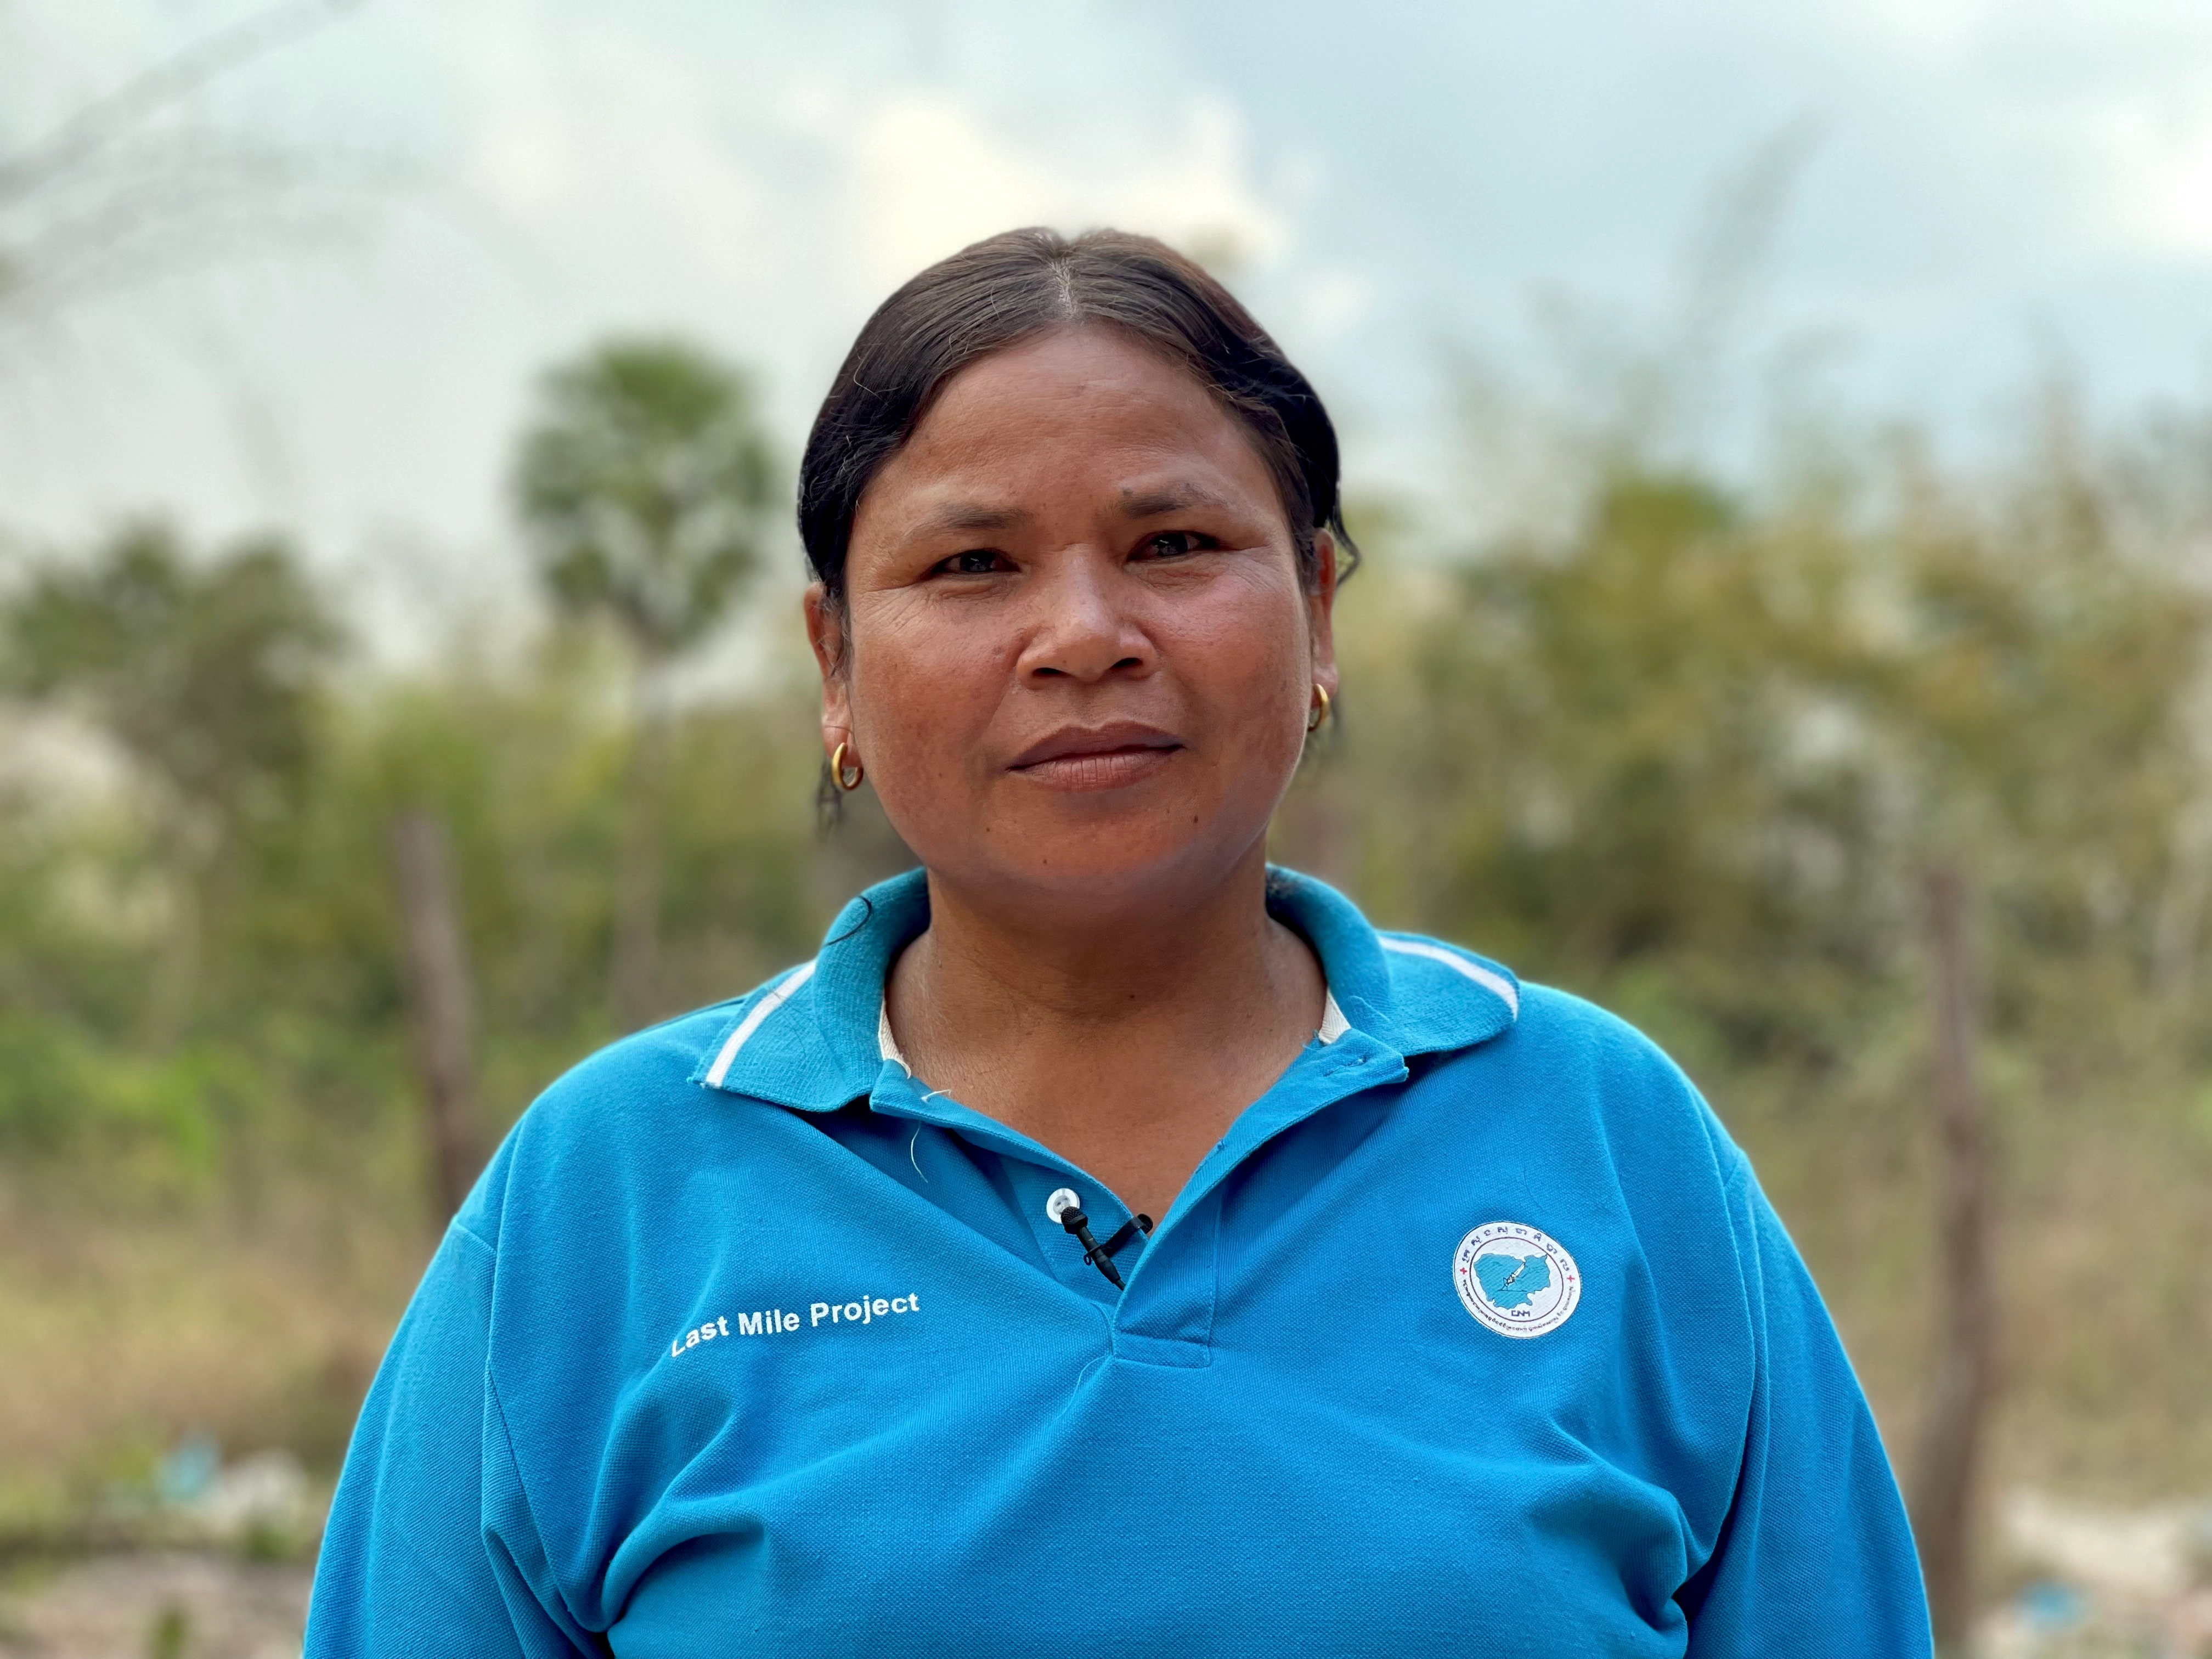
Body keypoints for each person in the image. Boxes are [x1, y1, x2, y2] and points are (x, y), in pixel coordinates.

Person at [306, 228, 1932, 1657]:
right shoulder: (613, 1192)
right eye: (971, 565)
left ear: (1318, 613)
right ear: (835, 663)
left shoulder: (1601, 1136)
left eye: (1174, 546)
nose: (1084, 636)